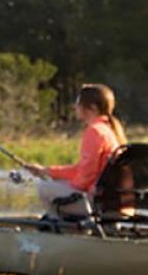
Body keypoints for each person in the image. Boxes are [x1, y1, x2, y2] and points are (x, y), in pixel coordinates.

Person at [21, 83, 127, 215]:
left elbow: (86, 177)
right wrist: (46, 172)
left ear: (92, 108)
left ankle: (60, 228)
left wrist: (68, 183)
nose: (75, 107)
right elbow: (82, 169)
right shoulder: (110, 130)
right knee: (56, 182)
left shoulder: (95, 131)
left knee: (44, 188)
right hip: (113, 201)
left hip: (96, 203)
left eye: (78, 103)